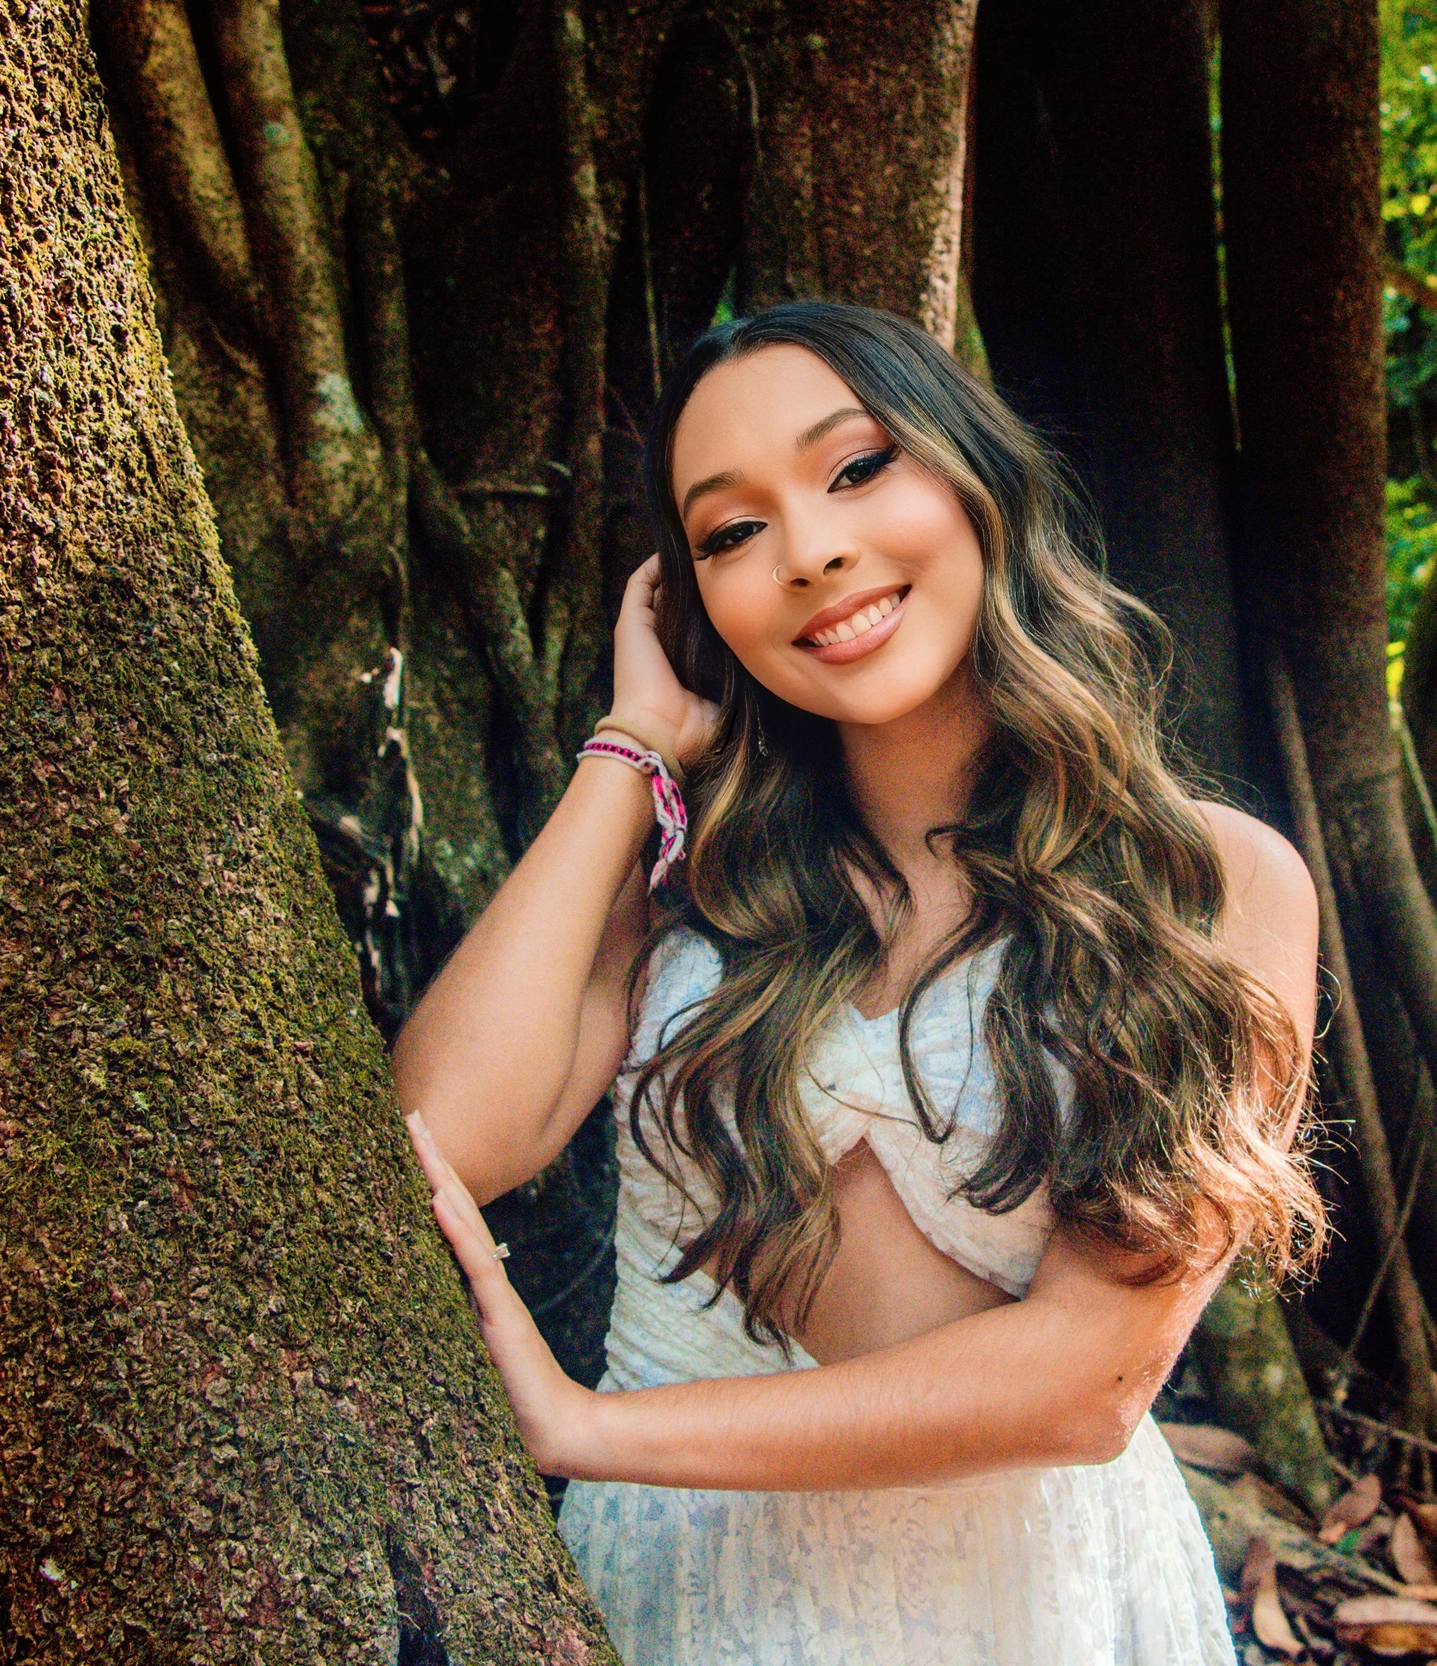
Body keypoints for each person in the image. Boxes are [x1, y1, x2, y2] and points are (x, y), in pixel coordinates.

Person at [391, 301, 1324, 1665]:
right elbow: (443, 1137)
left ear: (977, 478)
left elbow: (1087, 1382)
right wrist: (635, 737)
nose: (814, 551)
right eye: (730, 532)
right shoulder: (680, 882)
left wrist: (591, 1431)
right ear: (691, 595)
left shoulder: (1211, 888)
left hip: (1033, 1610)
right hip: (687, 1600)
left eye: (856, 467)